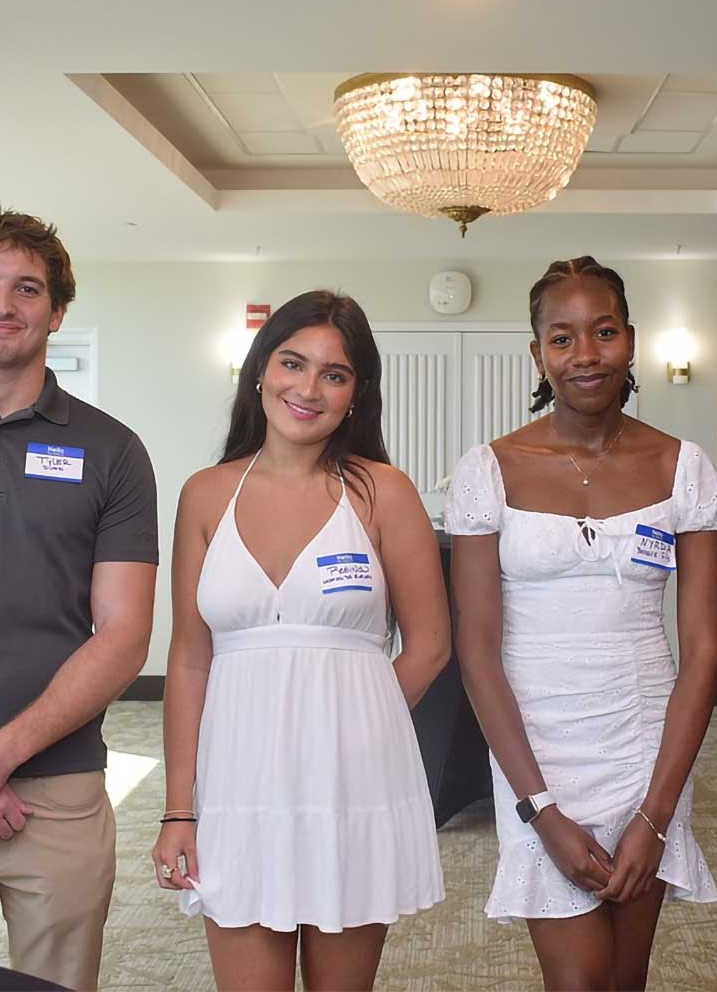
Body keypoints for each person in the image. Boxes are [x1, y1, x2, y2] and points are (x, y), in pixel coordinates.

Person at [152, 290, 448, 991]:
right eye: (293, 362)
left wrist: (355, 729)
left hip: (351, 783)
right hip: (237, 783)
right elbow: (190, 660)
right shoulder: (204, 493)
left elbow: (431, 644)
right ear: (261, 370)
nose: (309, 388)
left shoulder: (383, 492)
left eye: (335, 374)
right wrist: (178, 807)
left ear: (357, 394)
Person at [444, 257, 717, 991]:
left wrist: (656, 815)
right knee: (578, 980)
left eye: (603, 332)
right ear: (537, 353)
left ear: (631, 339)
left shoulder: (682, 468)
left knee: (624, 979)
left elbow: (701, 653)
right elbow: (477, 653)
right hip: (537, 752)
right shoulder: (490, 469)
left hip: (646, 749)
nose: (586, 355)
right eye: (562, 338)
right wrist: (539, 809)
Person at [0, 209, 158, 990]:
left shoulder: (113, 450)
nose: (4, 303)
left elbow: (123, 633)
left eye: (28, 288)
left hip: (58, 793)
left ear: (57, 312)